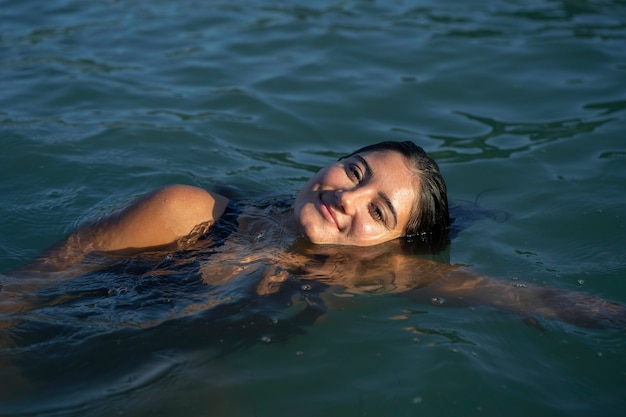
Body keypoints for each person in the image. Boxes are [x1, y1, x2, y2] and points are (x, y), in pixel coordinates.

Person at [3, 141, 625, 329]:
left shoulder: (373, 272)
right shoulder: (184, 212)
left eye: (379, 211)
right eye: (354, 171)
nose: (346, 197)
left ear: (387, 246)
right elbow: (24, 288)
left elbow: (524, 296)